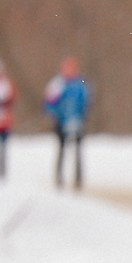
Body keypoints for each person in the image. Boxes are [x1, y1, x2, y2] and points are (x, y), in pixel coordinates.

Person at [44, 58, 91, 190]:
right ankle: (59, 177)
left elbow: (86, 101)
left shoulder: (81, 84)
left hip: (77, 122)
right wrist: (55, 116)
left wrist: (82, 117)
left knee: (77, 152)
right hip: (61, 122)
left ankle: (78, 179)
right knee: (61, 150)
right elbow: (49, 103)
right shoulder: (57, 84)